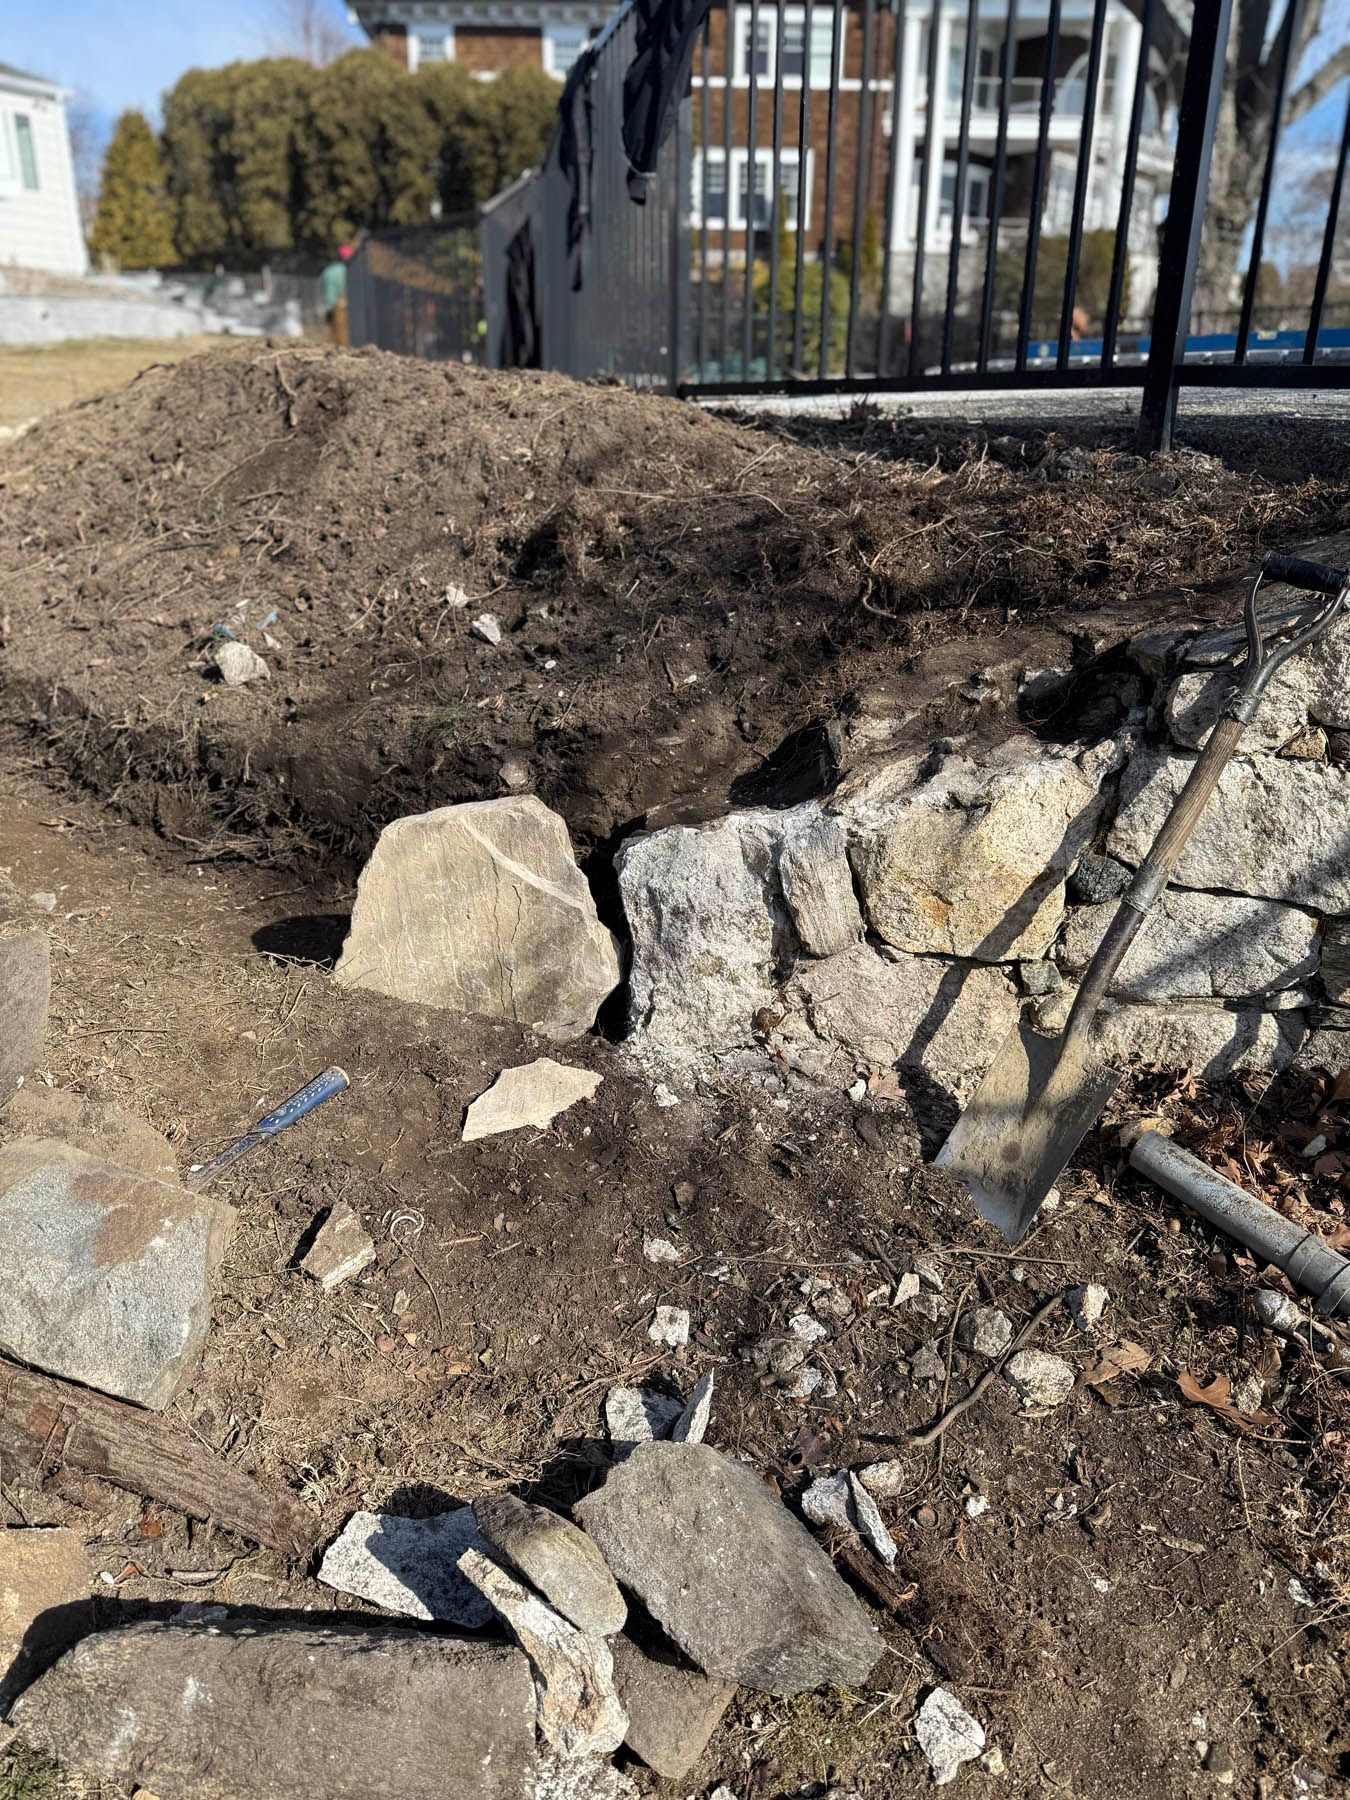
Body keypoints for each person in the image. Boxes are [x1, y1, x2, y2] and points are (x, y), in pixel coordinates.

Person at [321, 244, 353, 345]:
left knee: (333, 337)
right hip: (349, 309)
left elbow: (325, 292)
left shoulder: (328, 271)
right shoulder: (353, 271)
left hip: (332, 307)